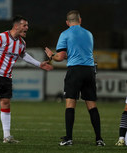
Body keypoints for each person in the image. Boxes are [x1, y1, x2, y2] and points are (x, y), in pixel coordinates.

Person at [0, 15, 53, 143]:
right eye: (24, 25)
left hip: (7, 76)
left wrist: (39, 64)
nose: (27, 28)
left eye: (27, 26)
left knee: (6, 103)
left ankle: (7, 136)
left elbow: (24, 55)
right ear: (16, 26)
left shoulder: (21, 43)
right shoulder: (0, 38)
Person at [45, 10, 105, 146]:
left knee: (70, 103)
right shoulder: (89, 34)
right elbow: (79, 52)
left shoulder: (65, 34)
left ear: (67, 22)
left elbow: (59, 57)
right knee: (92, 105)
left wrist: (51, 55)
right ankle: (99, 139)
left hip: (75, 71)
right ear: (80, 20)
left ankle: (69, 138)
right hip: (89, 70)